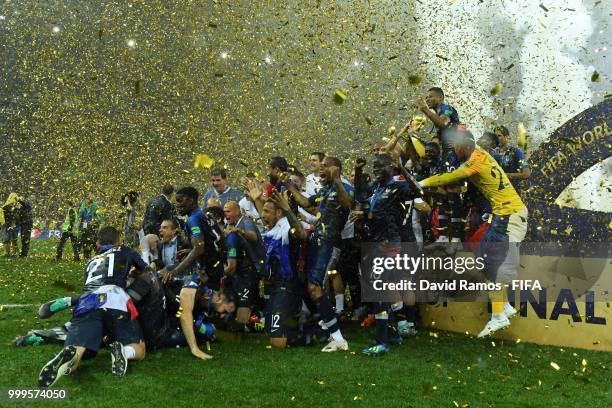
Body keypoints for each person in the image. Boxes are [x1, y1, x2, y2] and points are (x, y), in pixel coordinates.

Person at [418, 128, 528, 338]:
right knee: (485, 262)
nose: (454, 152)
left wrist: (423, 183)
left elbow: (452, 177)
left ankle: (498, 315)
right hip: (506, 215)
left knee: (492, 267)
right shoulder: (480, 155)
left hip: (508, 216)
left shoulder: (474, 162)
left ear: (465, 147)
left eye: (456, 148)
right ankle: (503, 308)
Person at [38, 226, 148, 387]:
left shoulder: (91, 262)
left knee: (79, 346)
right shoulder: (125, 250)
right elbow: (145, 269)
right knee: (140, 348)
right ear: (119, 241)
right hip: (116, 299)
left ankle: (72, 358)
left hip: (87, 301)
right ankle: (124, 352)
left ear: (97, 244)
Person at [284, 156, 354, 352]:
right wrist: (289, 186)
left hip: (330, 244)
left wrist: (338, 180)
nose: (321, 169)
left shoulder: (345, 188)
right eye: (320, 166)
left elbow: (348, 205)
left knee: (315, 287)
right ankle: (332, 331)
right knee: (313, 286)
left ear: (336, 169)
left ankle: (337, 336)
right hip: (317, 242)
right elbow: (306, 201)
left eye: (325, 166)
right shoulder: (325, 190)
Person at [354, 154, 419, 355]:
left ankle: (382, 342)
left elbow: (418, 191)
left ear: (390, 167)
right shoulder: (378, 187)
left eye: (379, 166)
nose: (375, 170)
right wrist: (357, 171)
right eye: (373, 167)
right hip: (376, 242)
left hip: (389, 243)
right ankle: (392, 334)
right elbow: (361, 191)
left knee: (379, 290)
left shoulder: (398, 186)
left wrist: (402, 169)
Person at [157, 186, 224, 360]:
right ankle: (205, 334)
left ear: (191, 200)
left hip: (203, 269)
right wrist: (189, 250)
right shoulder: (205, 215)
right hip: (215, 267)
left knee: (185, 307)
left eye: (180, 201)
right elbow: (214, 239)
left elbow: (199, 248)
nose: (177, 204)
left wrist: (177, 270)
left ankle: (195, 347)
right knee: (199, 307)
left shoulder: (193, 219)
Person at [412, 87, 464, 243]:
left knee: (453, 192)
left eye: (431, 96)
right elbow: (438, 137)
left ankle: (456, 238)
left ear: (440, 98)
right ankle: (442, 235)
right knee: (442, 194)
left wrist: (423, 109)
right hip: (445, 156)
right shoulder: (437, 113)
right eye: (426, 97)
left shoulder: (446, 109)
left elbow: (442, 123)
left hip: (454, 154)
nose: (427, 99)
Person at [494, 125, 531, 192]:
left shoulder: (517, 152)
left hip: (514, 193)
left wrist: (506, 175)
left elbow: (526, 173)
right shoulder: (492, 154)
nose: (496, 139)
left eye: (499, 136)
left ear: (506, 137)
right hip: (499, 194)